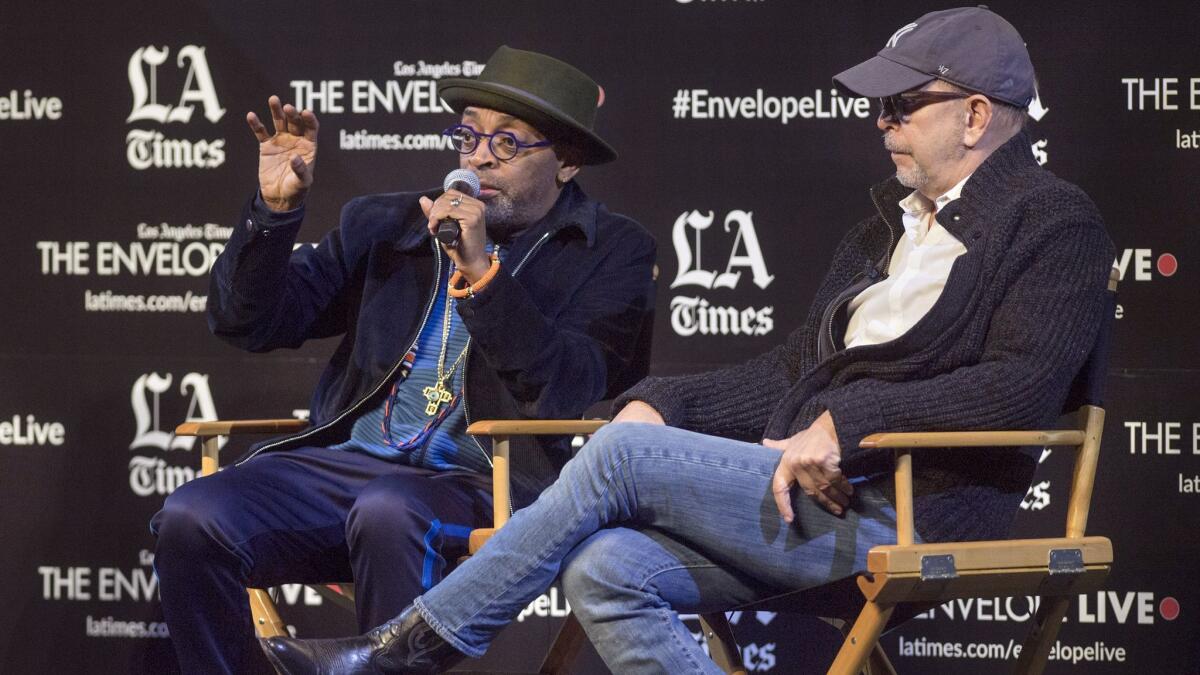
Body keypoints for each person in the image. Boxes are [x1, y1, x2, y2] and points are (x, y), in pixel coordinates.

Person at [262, 8, 1115, 675]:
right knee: (605, 564)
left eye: (902, 105)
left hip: (915, 508)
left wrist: (845, 425)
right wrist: (654, 403)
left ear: (974, 115)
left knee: (619, 463)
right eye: (878, 107)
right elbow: (788, 371)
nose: (882, 123)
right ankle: (407, 645)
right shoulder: (879, 232)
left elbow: (1017, 387)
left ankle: (409, 647)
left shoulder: (1052, 220)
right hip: (815, 496)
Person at [149, 46, 655, 675]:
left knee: (390, 508)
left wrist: (482, 275)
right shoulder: (388, 224)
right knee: (192, 516)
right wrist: (275, 216)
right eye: (468, 136)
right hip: (350, 468)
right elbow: (249, 323)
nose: (476, 158)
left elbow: (566, 383)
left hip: (494, 486)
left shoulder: (611, 251)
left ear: (568, 162)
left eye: (506, 144)